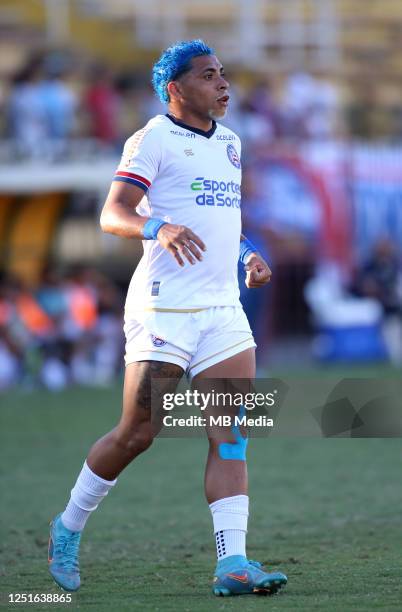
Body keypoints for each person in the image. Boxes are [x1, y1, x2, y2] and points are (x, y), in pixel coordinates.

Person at [47, 40, 288, 598]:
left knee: (230, 435)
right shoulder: (152, 138)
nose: (224, 84)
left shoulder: (230, 143)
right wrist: (159, 228)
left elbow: (223, 218)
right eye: (209, 76)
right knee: (139, 432)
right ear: (176, 89)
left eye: (224, 74)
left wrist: (245, 253)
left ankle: (233, 564)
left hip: (222, 310)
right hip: (164, 307)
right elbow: (114, 213)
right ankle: (68, 525)